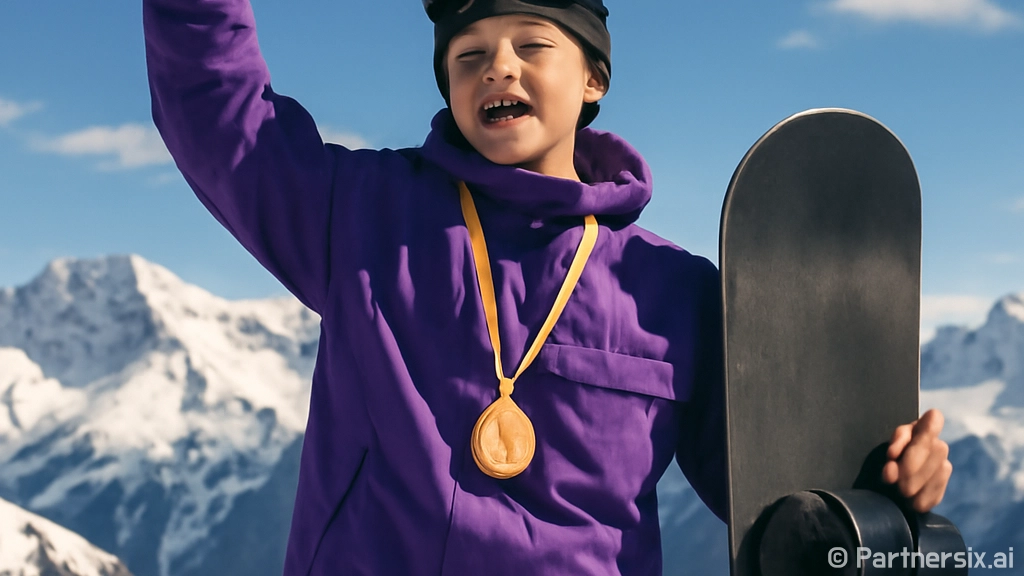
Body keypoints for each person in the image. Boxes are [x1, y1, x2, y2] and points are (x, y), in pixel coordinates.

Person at [143, 0, 953, 573]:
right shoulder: (357, 217)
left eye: (533, 44)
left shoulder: (673, 293)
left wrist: (885, 488)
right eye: (469, 56)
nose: (498, 65)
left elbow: (776, 501)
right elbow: (217, 111)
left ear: (594, 77)